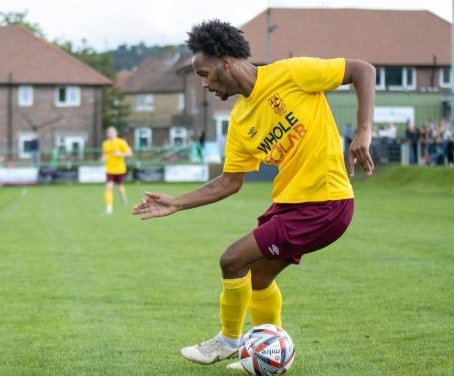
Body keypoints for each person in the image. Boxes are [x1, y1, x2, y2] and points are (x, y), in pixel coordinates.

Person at [132, 19, 374, 370]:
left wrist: (363, 131)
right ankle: (272, 354)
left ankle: (228, 341)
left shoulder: (292, 73)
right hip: (289, 205)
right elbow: (229, 182)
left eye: (205, 73)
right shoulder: (241, 122)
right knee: (258, 278)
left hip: (325, 202)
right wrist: (176, 202)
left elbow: (362, 70)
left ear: (225, 61)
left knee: (232, 260)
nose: (203, 84)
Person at [102, 126, 133, 214]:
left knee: (119, 187)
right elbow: (104, 155)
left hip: (120, 169)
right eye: (109, 133)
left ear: (116, 133)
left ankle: (123, 196)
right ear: (107, 134)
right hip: (110, 169)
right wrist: (103, 158)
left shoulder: (121, 142)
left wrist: (120, 154)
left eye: (112, 132)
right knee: (108, 186)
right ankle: (109, 207)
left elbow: (130, 153)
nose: (110, 134)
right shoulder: (105, 144)